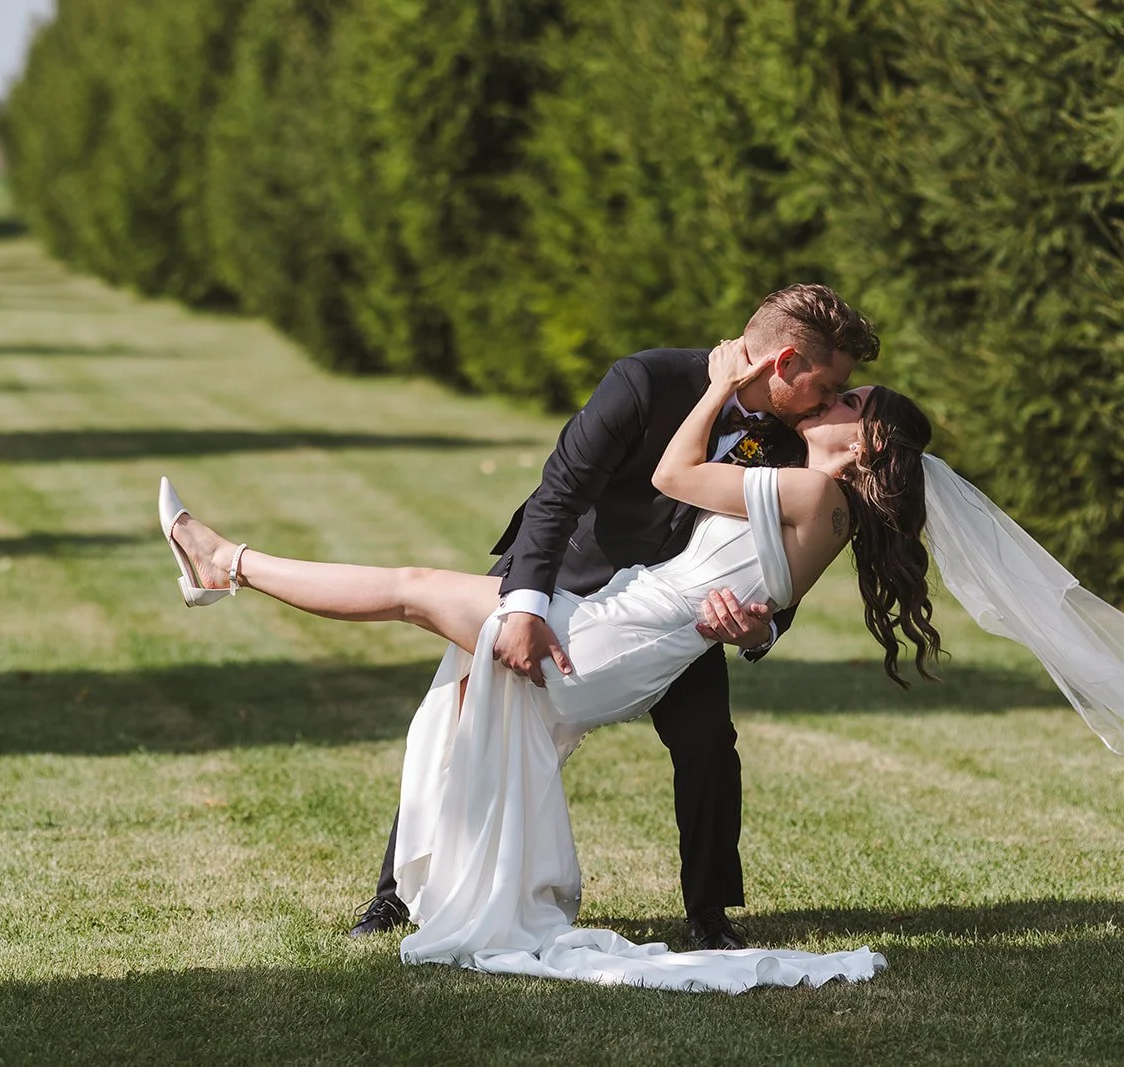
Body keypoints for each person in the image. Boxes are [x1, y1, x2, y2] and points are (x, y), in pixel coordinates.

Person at [159, 341, 1124, 992]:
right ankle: (407, 875)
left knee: (412, 588)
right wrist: (745, 618)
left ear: (861, 442)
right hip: (629, 640)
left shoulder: (806, 488)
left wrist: (716, 380)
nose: (824, 403)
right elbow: (752, 601)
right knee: (450, 707)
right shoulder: (839, 520)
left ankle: (225, 563)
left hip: (604, 636)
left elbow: (673, 468)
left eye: (841, 403)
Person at [354, 284, 883, 949]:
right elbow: (559, 491)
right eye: (828, 385)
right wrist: (524, 604)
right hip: (565, 579)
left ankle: (710, 916)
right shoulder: (647, 380)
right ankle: (394, 897)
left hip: (671, 613)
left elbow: (783, 560)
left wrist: (761, 626)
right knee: (463, 713)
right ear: (784, 364)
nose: (831, 401)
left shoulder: (796, 439)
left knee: (708, 742)